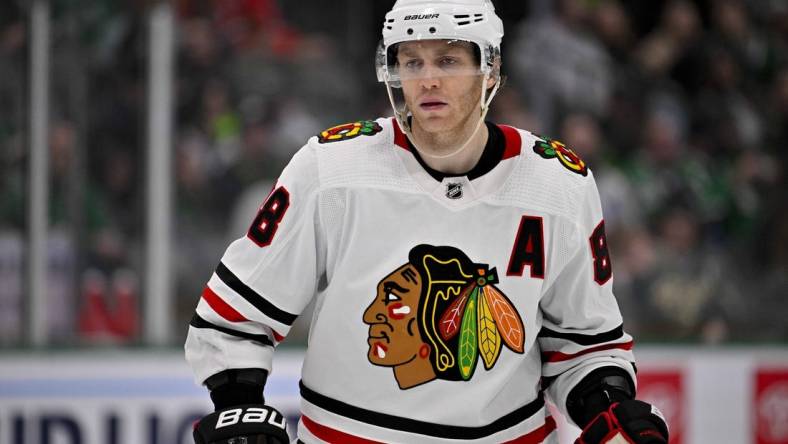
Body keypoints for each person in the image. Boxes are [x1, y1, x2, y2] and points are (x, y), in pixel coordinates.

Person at [186, 1, 670, 442]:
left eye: (448, 60)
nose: (427, 79)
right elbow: (235, 319)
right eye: (412, 61)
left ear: (490, 70)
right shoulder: (331, 169)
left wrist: (608, 406)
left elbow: (584, 344)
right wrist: (239, 406)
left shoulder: (558, 185)